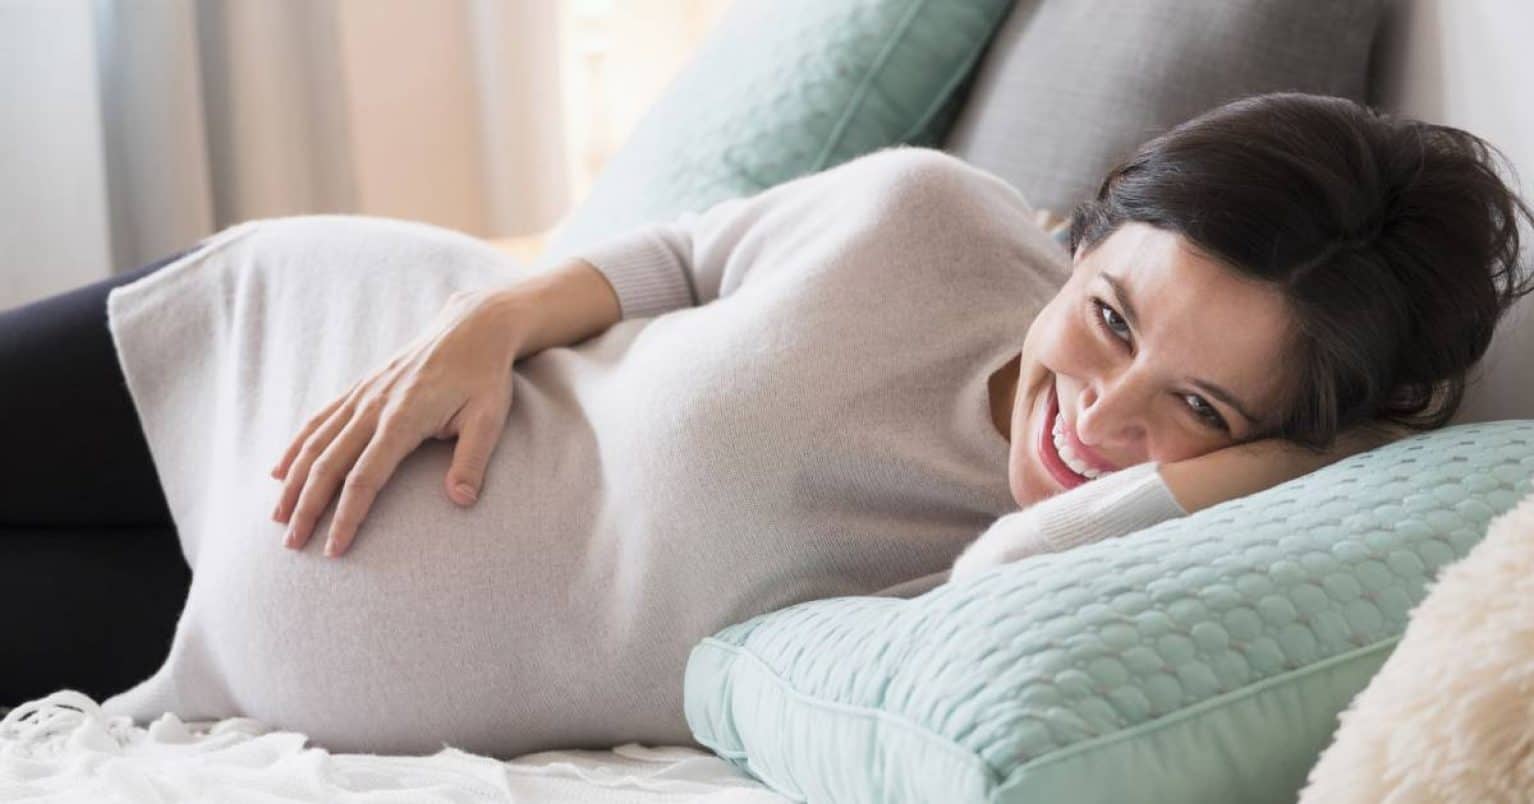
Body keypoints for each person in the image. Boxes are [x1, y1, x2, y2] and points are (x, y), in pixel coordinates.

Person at [3, 92, 1529, 756]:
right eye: (1110, 318)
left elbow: (1007, 590)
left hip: (209, 641)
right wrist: (479, 330)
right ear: (1084, 235)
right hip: (294, 332)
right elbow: (674, 253)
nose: (1097, 415)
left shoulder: (1070, 568)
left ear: (1294, 445)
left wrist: (1282, 464)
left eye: (1196, 404)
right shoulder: (923, 219)